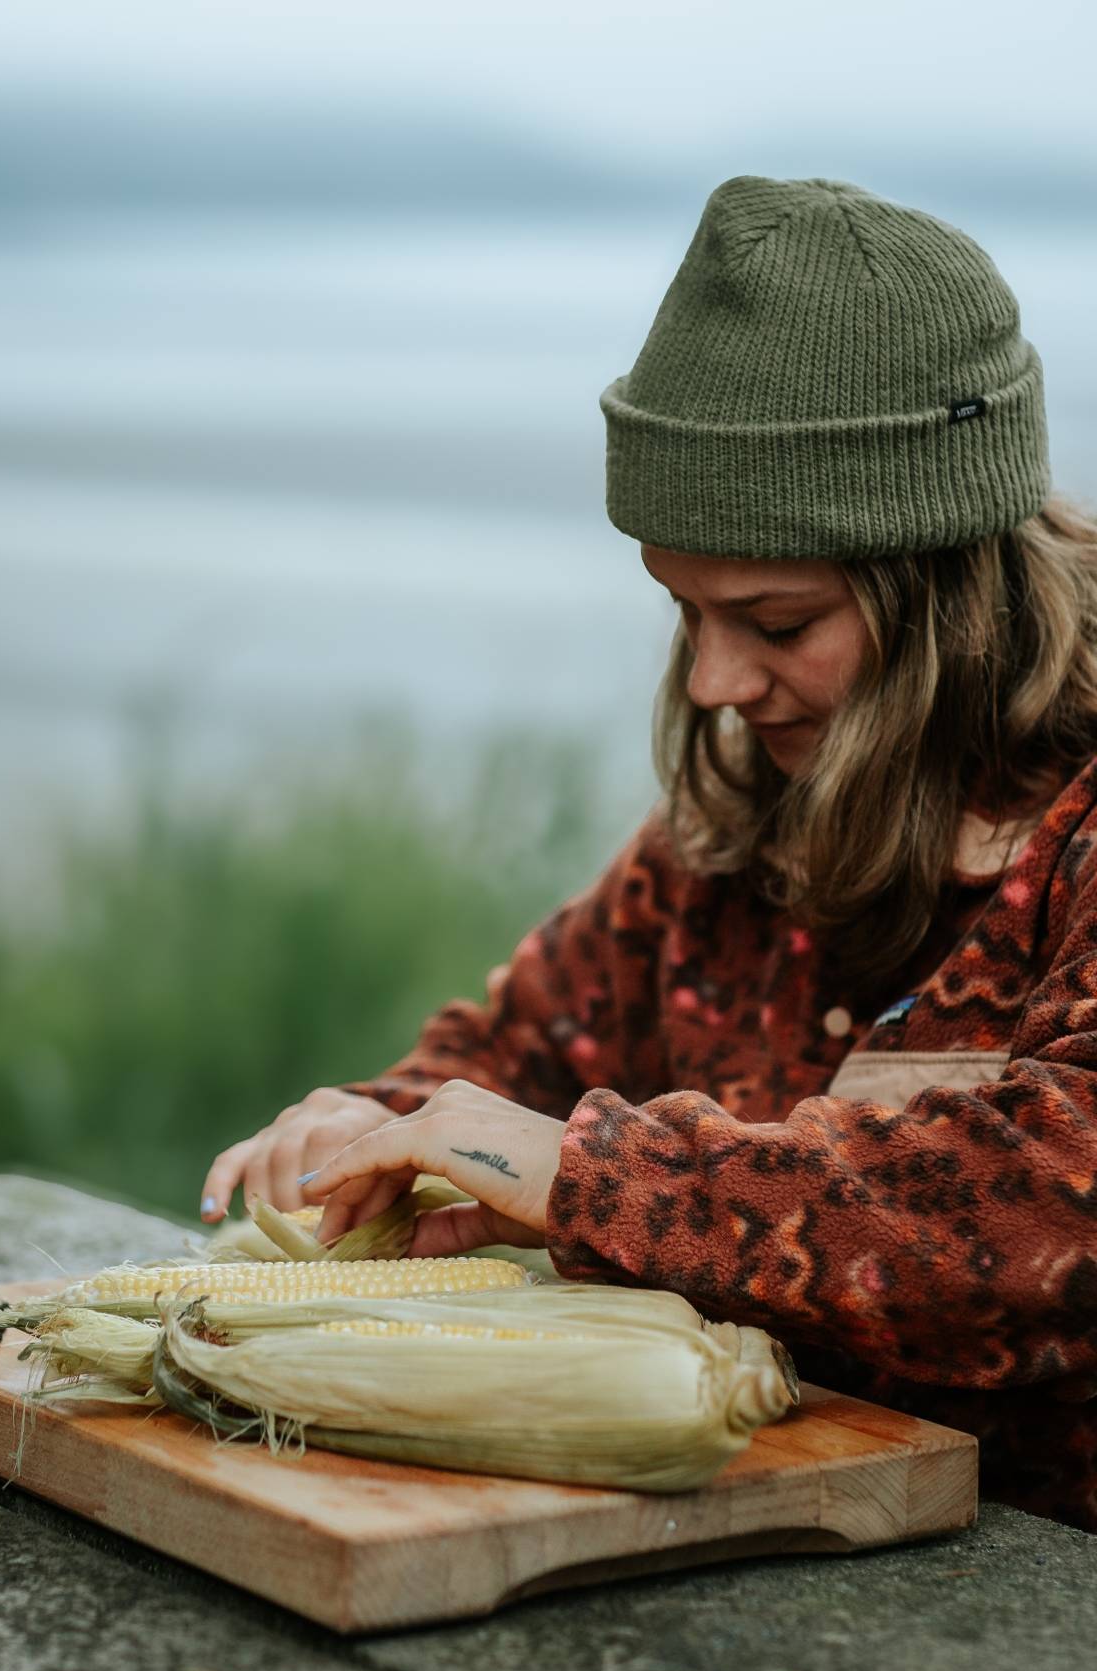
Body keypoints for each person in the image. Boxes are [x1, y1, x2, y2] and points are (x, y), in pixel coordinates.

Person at [199, 176, 1097, 1534]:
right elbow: (511, 1067)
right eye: (684, 613)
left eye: (780, 623)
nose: (719, 680)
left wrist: (592, 1178)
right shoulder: (728, 847)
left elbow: (1050, 1205)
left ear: (953, 591)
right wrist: (380, 1132)